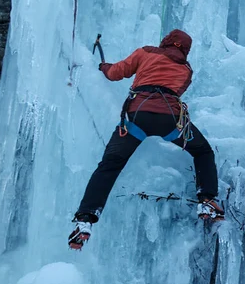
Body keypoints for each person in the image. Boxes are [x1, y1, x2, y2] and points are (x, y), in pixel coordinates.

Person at [70, 28, 222, 249]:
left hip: (137, 118)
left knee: (110, 166)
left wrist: (103, 67)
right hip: (171, 121)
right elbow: (178, 89)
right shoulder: (186, 69)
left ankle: (85, 218)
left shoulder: (146, 52)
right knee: (203, 151)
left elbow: (116, 73)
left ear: (166, 41)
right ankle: (207, 200)